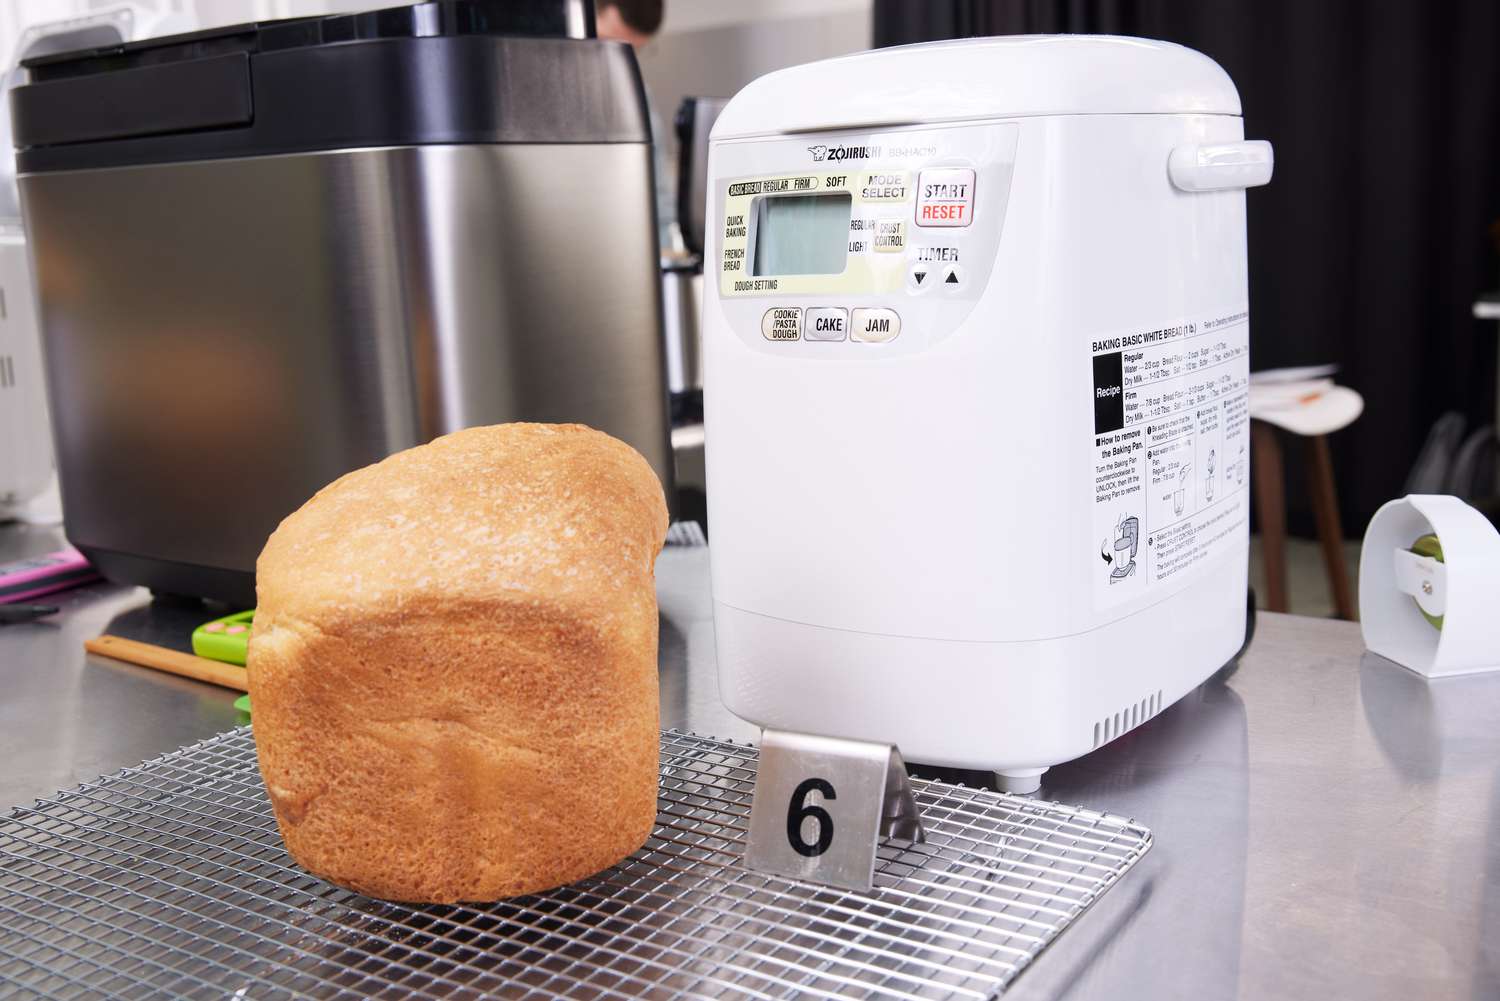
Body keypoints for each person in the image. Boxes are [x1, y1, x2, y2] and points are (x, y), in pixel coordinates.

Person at [595, 0, 677, 251]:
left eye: (633, 51)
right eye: (608, 43)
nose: (618, 61)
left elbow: (659, 197)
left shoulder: (638, 96)